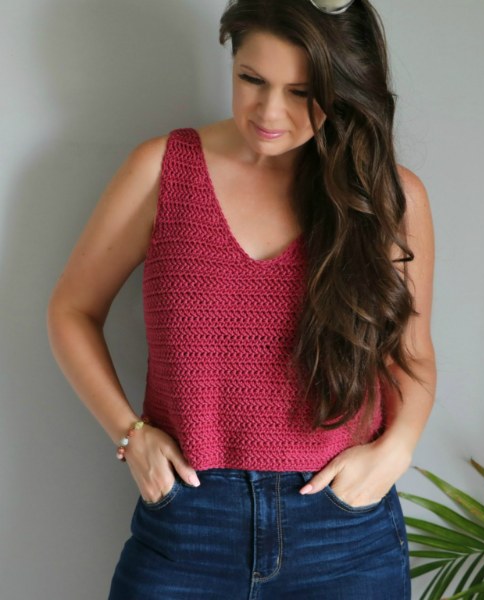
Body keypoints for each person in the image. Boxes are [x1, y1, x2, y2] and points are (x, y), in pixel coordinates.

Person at [46, 0, 436, 597]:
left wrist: (397, 450)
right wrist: (130, 434)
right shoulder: (162, 170)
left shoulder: (387, 197)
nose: (270, 111)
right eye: (251, 79)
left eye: (302, 92)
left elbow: (410, 355)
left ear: (345, 88)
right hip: (188, 524)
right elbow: (71, 310)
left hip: (343, 532)